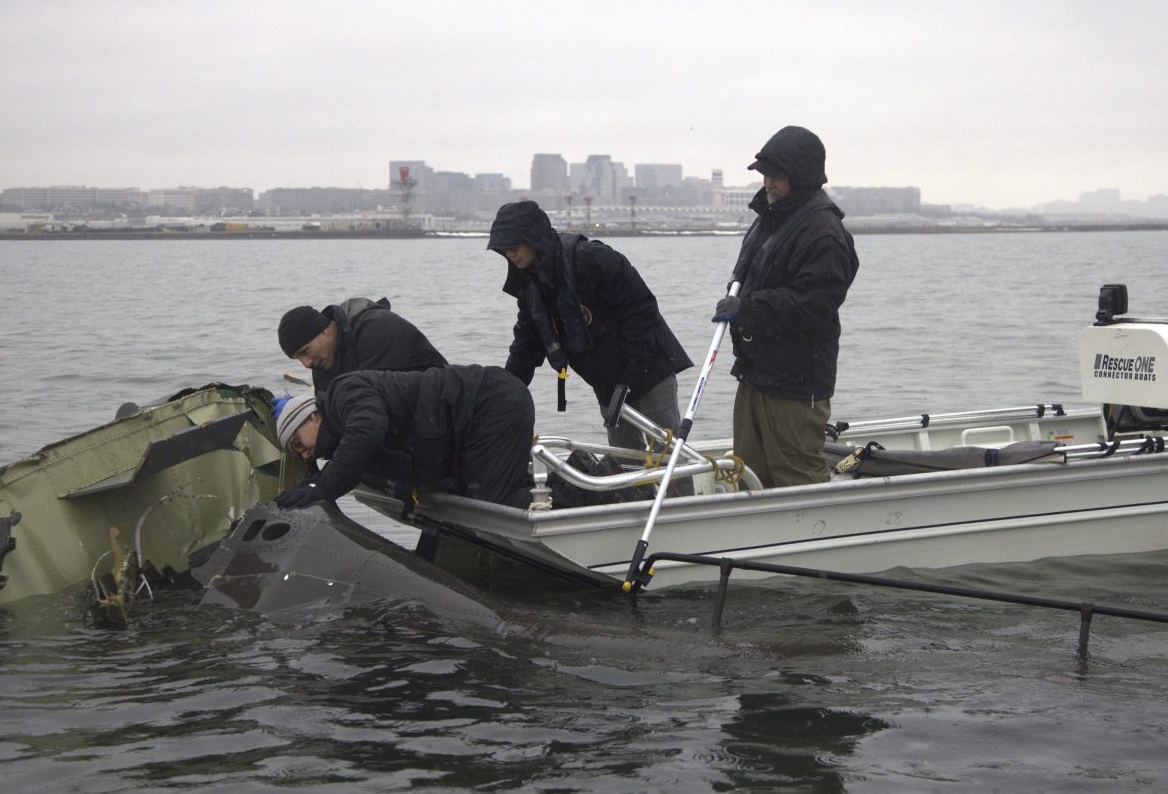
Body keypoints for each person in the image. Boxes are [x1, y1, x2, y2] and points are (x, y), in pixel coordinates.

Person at [712, 125, 858, 487]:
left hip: (796, 384)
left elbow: (814, 304)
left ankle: (815, 541)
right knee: (745, 473)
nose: (768, 183)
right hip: (755, 373)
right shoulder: (769, 219)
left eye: (778, 175)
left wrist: (747, 308)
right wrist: (737, 305)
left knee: (796, 475)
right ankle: (753, 542)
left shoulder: (823, 232)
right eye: (765, 175)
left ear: (802, 176)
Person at [486, 200, 693, 450]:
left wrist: (632, 374)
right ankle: (635, 491)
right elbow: (525, 346)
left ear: (533, 238)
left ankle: (677, 491)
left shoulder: (591, 258)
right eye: (504, 249)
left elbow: (641, 308)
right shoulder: (530, 286)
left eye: (514, 246)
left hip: (650, 370)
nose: (510, 254)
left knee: (667, 452)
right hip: (606, 382)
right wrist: (506, 392)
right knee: (623, 459)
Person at [272, 364, 535, 510]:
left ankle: (571, 498)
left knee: (493, 505)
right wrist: (314, 486)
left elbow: (367, 431)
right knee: (480, 496)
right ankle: (554, 491)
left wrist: (325, 488)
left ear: (312, 417)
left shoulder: (344, 392)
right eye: (298, 454)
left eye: (298, 443)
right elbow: (352, 463)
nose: (306, 453)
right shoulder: (345, 440)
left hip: (491, 402)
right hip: (475, 421)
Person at [278, 297, 446, 391]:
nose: (306, 364)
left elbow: (371, 402)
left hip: (444, 415)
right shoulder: (323, 362)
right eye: (298, 359)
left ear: (323, 330)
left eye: (305, 352)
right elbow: (330, 416)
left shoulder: (379, 328)